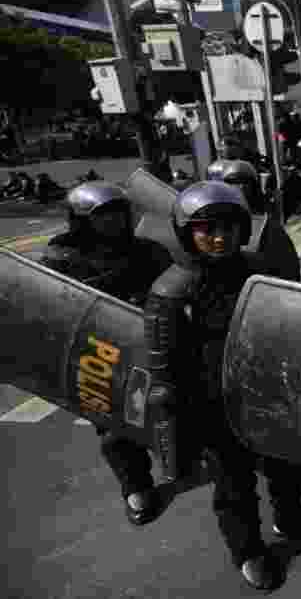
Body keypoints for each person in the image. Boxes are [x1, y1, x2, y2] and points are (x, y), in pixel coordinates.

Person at [144, 182, 301, 590]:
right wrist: (178, 424)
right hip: (214, 403)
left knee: (286, 463)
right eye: (207, 228)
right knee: (233, 484)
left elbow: (284, 323)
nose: (219, 237)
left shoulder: (256, 270)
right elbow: (165, 371)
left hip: (266, 389)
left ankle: (289, 516)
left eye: (227, 227)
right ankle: (248, 550)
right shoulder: (173, 290)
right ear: (188, 232)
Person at [39, 182, 174, 528]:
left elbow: (174, 294)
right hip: (97, 358)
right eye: (103, 217)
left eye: (118, 215)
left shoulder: (149, 252)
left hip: (150, 351)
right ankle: (136, 488)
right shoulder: (62, 260)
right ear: (81, 221)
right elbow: (52, 311)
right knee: (116, 430)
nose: (113, 223)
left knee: (166, 414)